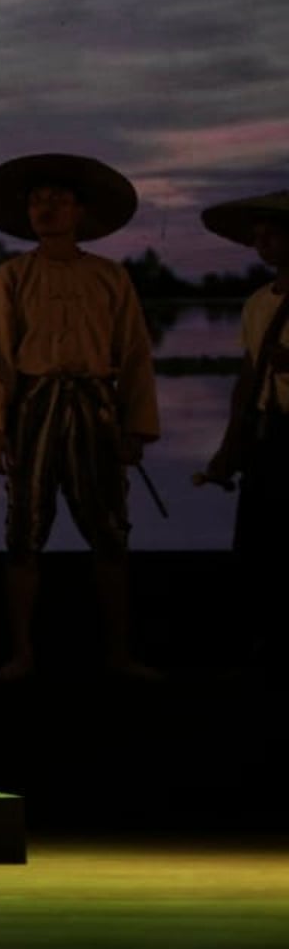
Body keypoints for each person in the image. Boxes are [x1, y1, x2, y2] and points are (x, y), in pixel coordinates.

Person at [0, 153, 160, 681]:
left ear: (79, 211)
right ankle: (22, 653)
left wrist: (136, 427)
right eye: (37, 201)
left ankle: (118, 652)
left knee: (109, 529)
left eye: (57, 200)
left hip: (96, 406)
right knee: (24, 529)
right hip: (33, 406)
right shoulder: (12, 276)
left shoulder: (109, 277)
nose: (46, 209)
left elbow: (135, 355)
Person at [196, 189, 289, 653]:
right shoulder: (257, 303)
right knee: (258, 541)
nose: (262, 243)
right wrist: (229, 448)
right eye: (258, 236)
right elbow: (248, 379)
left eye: (273, 234)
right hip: (270, 434)